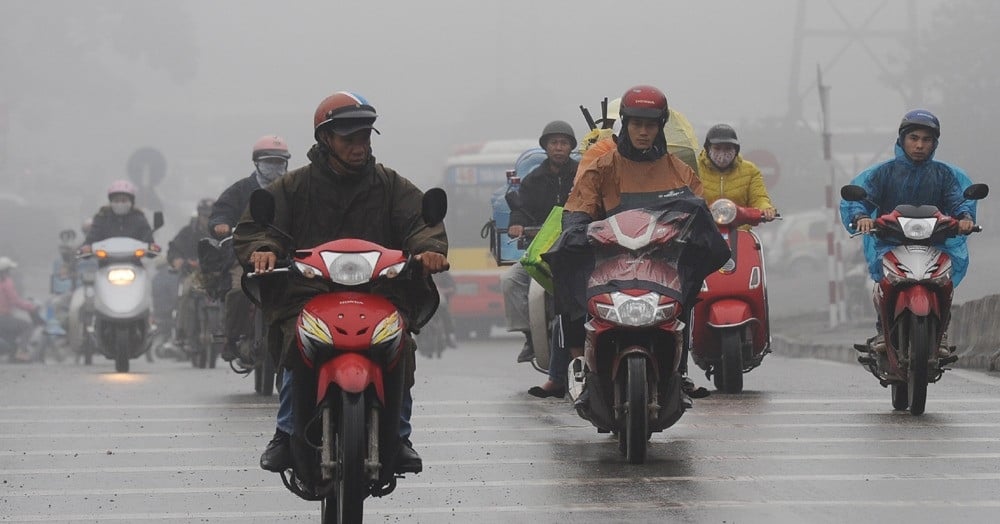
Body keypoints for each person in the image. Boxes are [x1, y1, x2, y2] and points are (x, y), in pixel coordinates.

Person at [233, 91, 448, 474]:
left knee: (402, 345)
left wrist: (428, 250)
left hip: (380, 291)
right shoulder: (293, 187)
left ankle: (399, 436)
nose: (359, 147)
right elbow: (258, 229)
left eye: (364, 138)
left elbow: (422, 225)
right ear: (325, 139)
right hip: (307, 292)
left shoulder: (392, 185)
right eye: (349, 139)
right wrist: (263, 250)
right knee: (294, 340)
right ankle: (285, 432)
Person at [550, 84, 711, 401]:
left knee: (692, 283)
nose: (642, 132)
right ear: (625, 123)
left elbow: (699, 214)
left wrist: (693, 237)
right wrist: (579, 229)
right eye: (636, 124)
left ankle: (678, 371)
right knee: (563, 259)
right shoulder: (601, 167)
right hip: (609, 262)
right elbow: (578, 209)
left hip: (662, 264)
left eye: (650, 125)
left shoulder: (681, 172)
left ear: (660, 126)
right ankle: (579, 362)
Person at [840, 109, 977, 358]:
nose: (919, 145)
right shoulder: (883, 173)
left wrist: (966, 218)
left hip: (936, 244)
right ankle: (883, 329)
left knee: (943, 282)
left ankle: (942, 331)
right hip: (890, 243)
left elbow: (959, 202)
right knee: (884, 281)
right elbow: (862, 199)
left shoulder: (943, 175)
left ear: (934, 144)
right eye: (914, 138)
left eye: (926, 140)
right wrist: (861, 217)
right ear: (902, 139)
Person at [501, 120, 579, 366]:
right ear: (545, 147)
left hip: (575, 251)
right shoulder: (533, 180)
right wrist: (517, 223)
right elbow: (522, 210)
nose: (558, 148)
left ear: (570, 147)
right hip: (541, 252)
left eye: (563, 143)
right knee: (511, 280)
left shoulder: (583, 174)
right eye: (554, 143)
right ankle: (530, 336)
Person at [208, 135, 291, 363]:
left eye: (279, 162)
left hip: (283, 257)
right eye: (268, 162)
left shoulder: (292, 188)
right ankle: (232, 338)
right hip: (243, 256)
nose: (274, 167)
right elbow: (220, 212)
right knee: (238, 292)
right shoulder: (240, 190)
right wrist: (220, 224)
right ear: (256, 163)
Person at [698, 124, 777, 222]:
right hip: (701, 232)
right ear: (708, 148)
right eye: (717, 148)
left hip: (740, 231)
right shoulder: (694, 168)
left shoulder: (750, 170)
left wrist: (766, 208)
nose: (722, 154)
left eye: (728, 148)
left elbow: (759, 198)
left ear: (736, 150)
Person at [167, 198, 215, 350]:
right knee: (185, 292)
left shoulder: (221, 232)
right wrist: (178, 260)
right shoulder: (187, 232)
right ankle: (181, 331)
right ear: (199, 215)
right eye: (204, 216)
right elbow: (173, 249)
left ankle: (234, 334)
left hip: (217, 274)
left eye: (210, 216)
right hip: (192, 274)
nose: (207, 219)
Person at [81, 180, 154, 249]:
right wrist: (86, 247)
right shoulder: (102, 217)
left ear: (131, 202)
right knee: (86, 263)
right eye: (116, 200)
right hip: (105, 260)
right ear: (111, 202)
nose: (120, 203)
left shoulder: (139, 218)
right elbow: (92, 238)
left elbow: (148, 241)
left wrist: (152, 247)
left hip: (134, 260)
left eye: (124, 200)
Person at [0, 256, 41, 362]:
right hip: (3, 317)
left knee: (14, 326)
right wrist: (31, 307)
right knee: (27, 326)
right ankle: (21, 352)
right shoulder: (6, 282)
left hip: (4, 318)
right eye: (9, 270)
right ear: (5, 271)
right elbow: (15, 301)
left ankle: (12, 352)